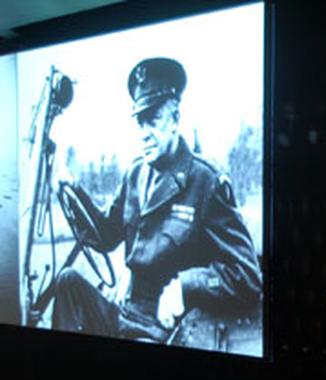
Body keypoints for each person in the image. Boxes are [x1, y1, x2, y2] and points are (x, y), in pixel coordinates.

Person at [52, 57, 261, 345]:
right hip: (124, 315)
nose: (144, 134)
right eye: (140, 122)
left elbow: (247, 277)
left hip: (163, 331)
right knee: (67, 281)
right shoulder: (135, 173)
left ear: (175, 120)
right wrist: (75, 191)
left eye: (154, 120)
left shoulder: (204, 182)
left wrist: (185, 286)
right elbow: (104, 236)